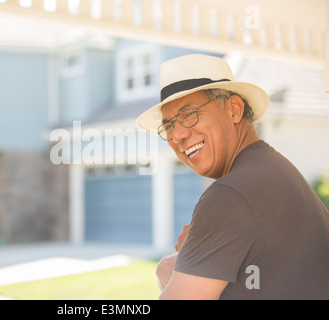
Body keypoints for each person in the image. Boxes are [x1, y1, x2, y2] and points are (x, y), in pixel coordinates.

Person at [136, 54, 329, 300]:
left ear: (234, 110)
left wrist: (172, 268)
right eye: (169, 125)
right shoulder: (274, 170)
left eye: (189, 114)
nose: (178, 135)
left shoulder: (230, 195)